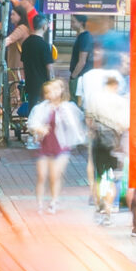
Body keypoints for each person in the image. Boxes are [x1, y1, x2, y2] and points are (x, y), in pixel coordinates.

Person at [75, 63, 129, 224]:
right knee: (113, 177)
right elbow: (125, 124)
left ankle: (100, 206)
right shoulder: (121, 102)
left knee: (100, 176)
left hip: (98, 141)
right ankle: (109, 209)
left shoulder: (94, 98)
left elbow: (88, 119)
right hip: (115, 143)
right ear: (116, 85)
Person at [25, 78, 84, 213]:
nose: (51, 93)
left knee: (54, 175)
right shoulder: (41, 108)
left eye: (55, 90)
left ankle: (53, 201)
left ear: (61, 90)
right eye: (48, 91)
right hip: (45, 146)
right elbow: (33, 123)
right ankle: (40, 203)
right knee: (41, 175)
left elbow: (75, 125)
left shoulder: (68, 108)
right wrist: (39, 129)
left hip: (61, 147)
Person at [16, 18, 55, 124]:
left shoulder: (25, 43)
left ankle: (32, 130)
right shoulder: (44, 45)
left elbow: (23, 64)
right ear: (44, 27)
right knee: (45, 112)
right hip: (43, 85)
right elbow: (49, 68)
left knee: (32, 111)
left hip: (30, 83)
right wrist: (52, 83)